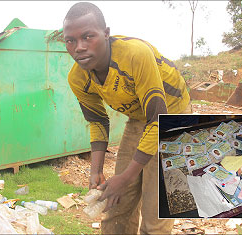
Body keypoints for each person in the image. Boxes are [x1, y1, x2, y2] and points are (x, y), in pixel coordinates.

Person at [63, 2, 190, 234]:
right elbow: (98, 121)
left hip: (173, 117)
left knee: (156, 213)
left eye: (88, 36)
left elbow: (158, 118)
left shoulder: (134, 54)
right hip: (140, 117)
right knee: (115, 204)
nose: (79, 47)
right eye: (70, 40)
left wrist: (126, 177)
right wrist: (96, 170)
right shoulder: (78, 77)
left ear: (106, 34)